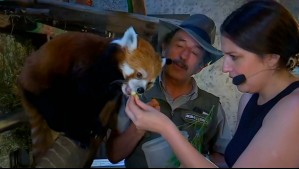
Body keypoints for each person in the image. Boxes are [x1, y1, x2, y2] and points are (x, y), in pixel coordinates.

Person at [125, 0, 299, 168]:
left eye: (235, 57)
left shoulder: (294, 108)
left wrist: (166, 128)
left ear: (271, 58)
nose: (225, 68)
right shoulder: (248, 99)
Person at [106, 14, 232, 167]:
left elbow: (224, 157)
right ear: (164, 48)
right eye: (179, 45)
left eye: (195, 53)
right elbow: (114, 155)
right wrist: (138, 128)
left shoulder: (212, 107)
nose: (184, 56)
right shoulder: (135, 94)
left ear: (201, 66)